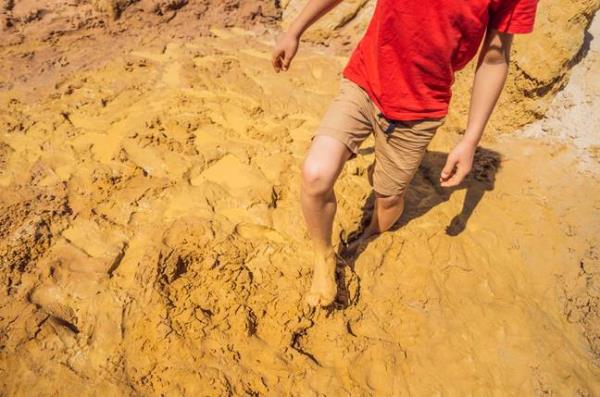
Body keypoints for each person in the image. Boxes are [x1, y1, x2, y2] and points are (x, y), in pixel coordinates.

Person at [271, 0, 539, 307]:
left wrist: (469, 141)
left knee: (387, 200)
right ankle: (324, 256)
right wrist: (295, 30)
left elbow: (494, 58)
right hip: (364, 82)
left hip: (420, 112)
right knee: (315, 174)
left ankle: (369, 234)